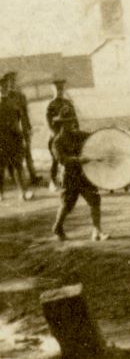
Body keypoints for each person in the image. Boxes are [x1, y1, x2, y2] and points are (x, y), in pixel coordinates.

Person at [50, 109, 107, 241]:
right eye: (68, 122)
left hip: (83, 175)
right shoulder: (56, 142)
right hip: (69, 177)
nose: (72, 124)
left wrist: (106, 135)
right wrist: (79, 160)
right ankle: (57, 227)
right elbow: (62, 160)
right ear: (62, 124)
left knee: (95, 200)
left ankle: (97, 231)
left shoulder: (79, 135)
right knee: (67, 205)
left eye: (72, 121)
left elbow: (94, 137)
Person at [0, 74, 33, 201]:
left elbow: (23, 119)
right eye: (2, 86)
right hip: (1, 139)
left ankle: (23, 192)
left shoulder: (14, 101)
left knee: (18, 165)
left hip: (15, 138)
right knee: (0, 167)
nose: (4, 88)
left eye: (6, 86)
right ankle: (0, 193)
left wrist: (25, 136)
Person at [5, 72, 39, 186]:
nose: (12, 83)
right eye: (10, 81)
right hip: (9, 131)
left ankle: (33, 175)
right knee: (11, 154)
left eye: (14, 81)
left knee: (28, 152)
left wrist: (28, 128)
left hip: (22, 128)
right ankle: (13, 178)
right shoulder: (4, 98)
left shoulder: (21, 96)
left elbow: (25, 114)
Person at [45, 78, 77, 191]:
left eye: (61, 89)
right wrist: (56, 135)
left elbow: (75, 120)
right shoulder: (50, 105)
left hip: (68, 136)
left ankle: (69, 181)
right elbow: (48, 123)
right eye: (57, 89)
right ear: (53, 90)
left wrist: (76, 131)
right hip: (56, 137)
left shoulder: (68, 103)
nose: (59, 91)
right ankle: (53, 182)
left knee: (69, 159)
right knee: (55, 160)